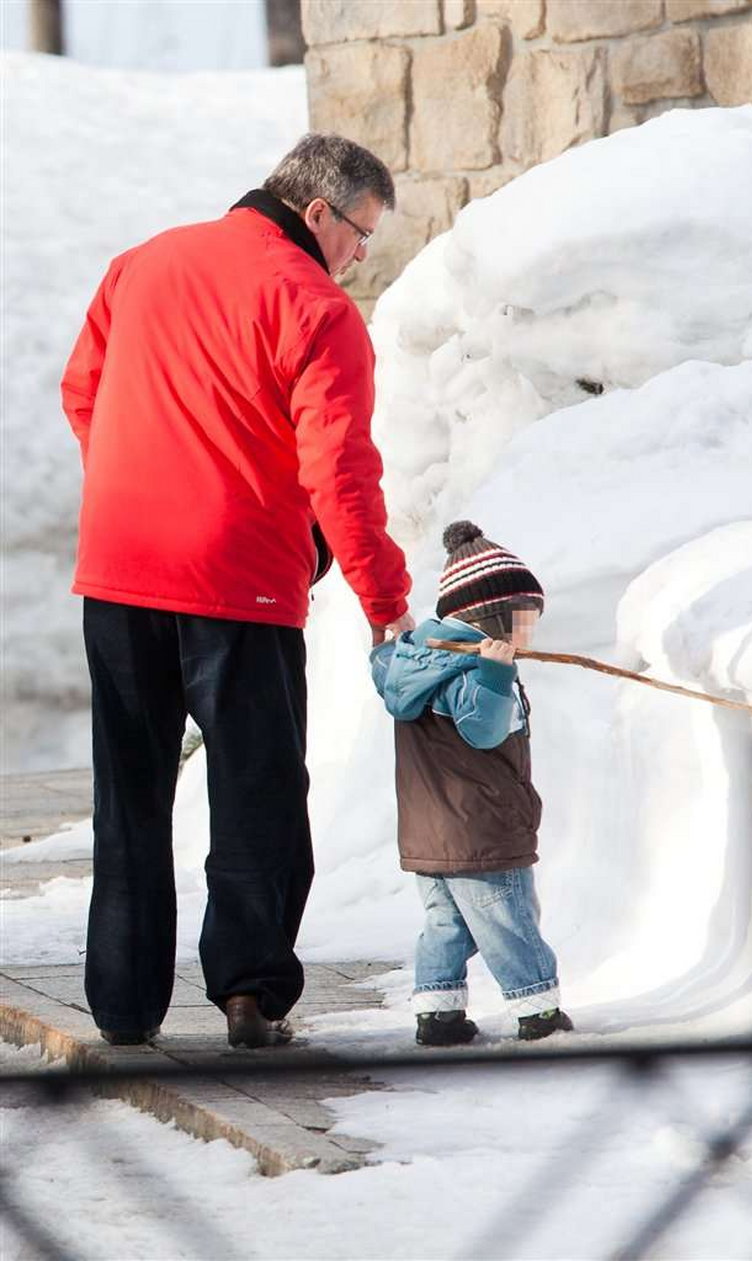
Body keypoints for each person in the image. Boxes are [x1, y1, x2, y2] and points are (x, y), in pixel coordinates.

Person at [61, 133, 413, 1049]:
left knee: (128, 789)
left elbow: (83, 392)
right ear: (318, 214)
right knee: (255, 790)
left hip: (120, 572)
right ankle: (251, 996)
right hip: (238, 585)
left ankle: (124, 1007)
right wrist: (384, 597)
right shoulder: (317, 307)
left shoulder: (141, 264)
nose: (361, 256)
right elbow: (340, 470)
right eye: (361, 234)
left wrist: (141, 482)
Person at [371, 521, 573, 1045]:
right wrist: (496, 676)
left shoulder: (420, 660)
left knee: (447, 924)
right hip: (482, 828)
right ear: (494, 618)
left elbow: (385, 672)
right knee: (509, 918)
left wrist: (382, 645)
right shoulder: (469, 669)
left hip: (430, 833)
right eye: (523, 622)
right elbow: (482, 732)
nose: (528, 636)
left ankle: (438, 1015)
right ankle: (539, 1010)